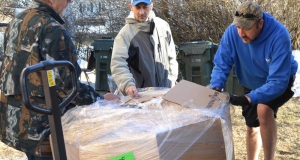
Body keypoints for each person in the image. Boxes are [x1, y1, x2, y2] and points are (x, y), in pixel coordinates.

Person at [0, 0, 118, 159]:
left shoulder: (17, 21)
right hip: (43, 129)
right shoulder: (52, 30)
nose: (70, 1)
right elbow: (68, 88)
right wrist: (101, 100)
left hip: (17, 124)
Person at [210, 1, 298, 160]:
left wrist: (248, 98)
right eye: (238, 27)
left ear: (260, 23)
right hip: (250, 79)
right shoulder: (232, 33)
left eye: (247, 28)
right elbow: (221, 63)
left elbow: (277, 81)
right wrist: (216, 86)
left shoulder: (279, 35)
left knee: (263, 111)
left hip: (280, 78)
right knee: (251, 127)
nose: (241, 33)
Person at [110, 0, 178, 97]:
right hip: (141, 97)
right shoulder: (125, 34)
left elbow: (171, 56)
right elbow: (118, 63)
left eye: (145, 7)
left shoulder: (163, 26)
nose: (141, 12)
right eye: (138, 7)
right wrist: (128, 84)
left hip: (166, 93)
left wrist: (172, 79)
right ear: (131, 7)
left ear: (151, 6)